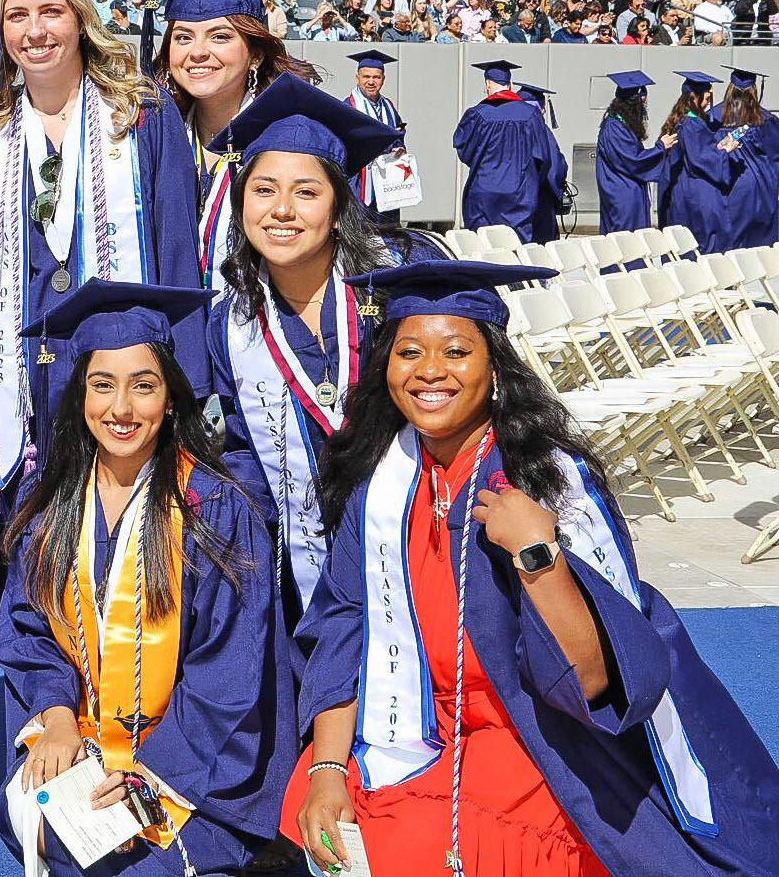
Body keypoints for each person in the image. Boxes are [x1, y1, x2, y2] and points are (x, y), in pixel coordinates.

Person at [284, 259, 779, 877]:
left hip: (531, 733)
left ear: (495, 371)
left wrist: (536, 554)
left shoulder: (548, 483)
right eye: (409, 351)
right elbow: (343, 629)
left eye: (457, 352)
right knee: (328, 819)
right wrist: (328, 768)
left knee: (421, 850)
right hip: (404, 727)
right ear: (385, 369)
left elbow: (594, 682)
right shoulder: (377, 486)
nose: (430, 371)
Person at [0, 280, 286, 877]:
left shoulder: (213, 509)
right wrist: (53, 717)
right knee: (20, 812)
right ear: (79, 396)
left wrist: (149, 779)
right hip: (87, 739)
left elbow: (227, 680)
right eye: (102, 386)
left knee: (135, 861)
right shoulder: (48, 504)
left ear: (173, 399)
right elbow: (26, 629)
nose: (120, 410)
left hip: (195, 769)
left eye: (143, 387)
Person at [0, 0, 207, 513]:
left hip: (124, 382)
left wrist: (193, 385)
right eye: (16, 15)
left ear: (80, 17)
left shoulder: (143, 114)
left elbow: (177, 249)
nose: (34, 31)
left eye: (51, 11)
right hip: (16, 389)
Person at [207, 74, 439, 624]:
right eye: (263, 190)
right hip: (296, 573)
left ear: (339, 207)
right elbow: (241, 448)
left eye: (306, 192)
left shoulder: (400, 285)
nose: (281, 210)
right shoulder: (229, 324)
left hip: (422, 541)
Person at [129, 0, 307, 298]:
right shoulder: (150, 137)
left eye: (219, 36)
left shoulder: (290, 140)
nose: (197, 52)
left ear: (255, 53)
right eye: (182, 37)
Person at [452, 60, 567, 244]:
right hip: (520, 193)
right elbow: (544, 157)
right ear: (510, 85)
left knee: (484, 246)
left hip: (484, 192)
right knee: (517, 249)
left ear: (487, 84)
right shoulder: (531, 114)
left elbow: (465, 152)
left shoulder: (477, 114)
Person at [661, 70, 743, 253]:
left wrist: (719, 147)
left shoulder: (683, 120)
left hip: (685, 188)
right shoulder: (691, 124)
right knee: (701, 241)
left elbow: (700, 151)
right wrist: (725, 151)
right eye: (706, 98)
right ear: (694, 98)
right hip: (695, 191)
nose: (708, 104)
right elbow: (700, 159)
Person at [708, 67, 779, 251]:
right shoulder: (764, 119)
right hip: (758, 188)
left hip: (725, 186)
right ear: (754, 90)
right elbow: (775, 155)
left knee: (729, 243)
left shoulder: (713, 116)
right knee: (759, 247)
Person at [597, 71, 674, 234]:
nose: (643, 109)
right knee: (625, 240)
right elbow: (632, 160)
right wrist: (660, 147)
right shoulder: (614, 127)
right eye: (641, 103)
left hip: (627, 190)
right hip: (621, 194)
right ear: (631, 103)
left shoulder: (621, 124)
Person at [343, 50, 406, 225]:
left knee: (388, 229)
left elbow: (397, 133)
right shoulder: (348, 107)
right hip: (360, 181)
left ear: (383, 79)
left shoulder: (389, 106)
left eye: (376, 77)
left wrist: (398, 146)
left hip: (387, 181)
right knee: (362, 231)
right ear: (357, 77)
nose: (371, 81)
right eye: (366, 76)